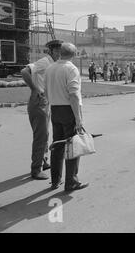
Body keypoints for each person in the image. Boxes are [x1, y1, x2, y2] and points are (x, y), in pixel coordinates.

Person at [44, 43, 89, 192]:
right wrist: (78, 118)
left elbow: (46, 90)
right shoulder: (71, 68)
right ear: (74, 54)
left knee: (57, 145)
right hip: (68, 109)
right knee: (73, 146)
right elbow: (74, 94)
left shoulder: (50, 68)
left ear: (60, 53)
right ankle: (71, 181)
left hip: (55, 108)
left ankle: (55, 179)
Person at [21, 39, 62, 180]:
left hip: (46, 102)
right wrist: (34, 89)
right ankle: (36, 169)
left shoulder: (53, 64)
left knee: (45, 134)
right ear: (50, 51)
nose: (59, 53)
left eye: (60, 50)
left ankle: (43, 161)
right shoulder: (45, 61)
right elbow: (24, 71)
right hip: (39, 102)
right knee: (41, 136)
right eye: (56, 50)